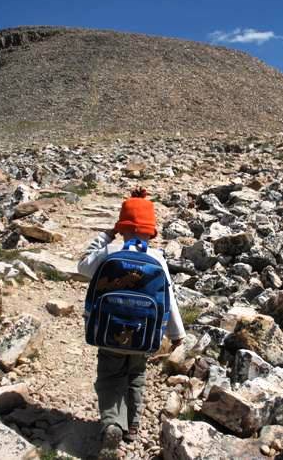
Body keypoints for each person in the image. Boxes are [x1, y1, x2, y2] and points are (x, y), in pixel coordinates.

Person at [77, 188, 186, 459]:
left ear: (121, 226)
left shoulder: (109, 252)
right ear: (151, 231)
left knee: (109, 376)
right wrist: (176, 334)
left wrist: (106, 235)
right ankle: (133, 425)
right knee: (136, 375)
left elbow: (82, 266)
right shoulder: (157, 258)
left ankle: (112, 422)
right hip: (144, 336)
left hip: (109, 332)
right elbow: (168, 298)